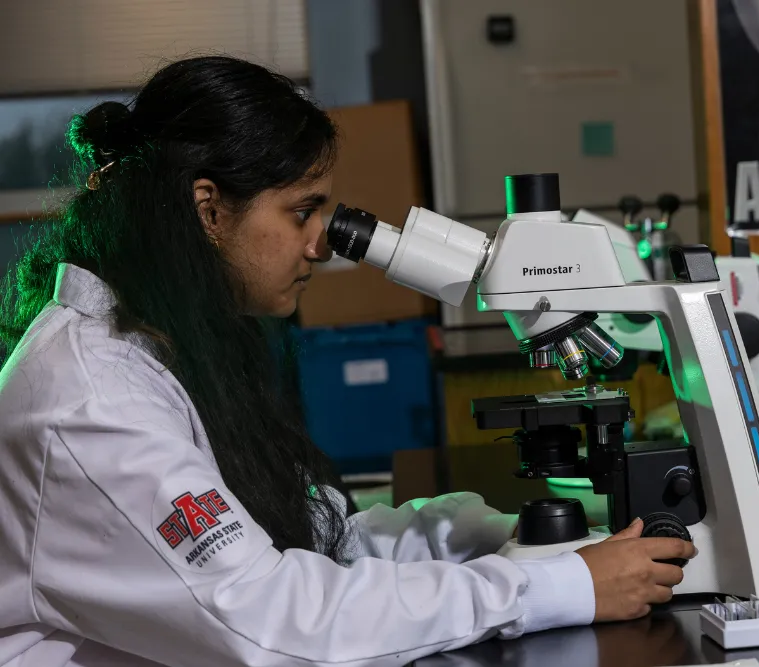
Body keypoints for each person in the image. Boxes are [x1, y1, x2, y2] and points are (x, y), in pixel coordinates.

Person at [0, 56, 694, 667]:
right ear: (208, 211)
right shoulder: (93, 402)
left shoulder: (165, 344)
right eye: (302, 212)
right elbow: (272, 620)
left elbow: (318, 535)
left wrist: (480, 532)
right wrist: (557, 586)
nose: (321, 243)